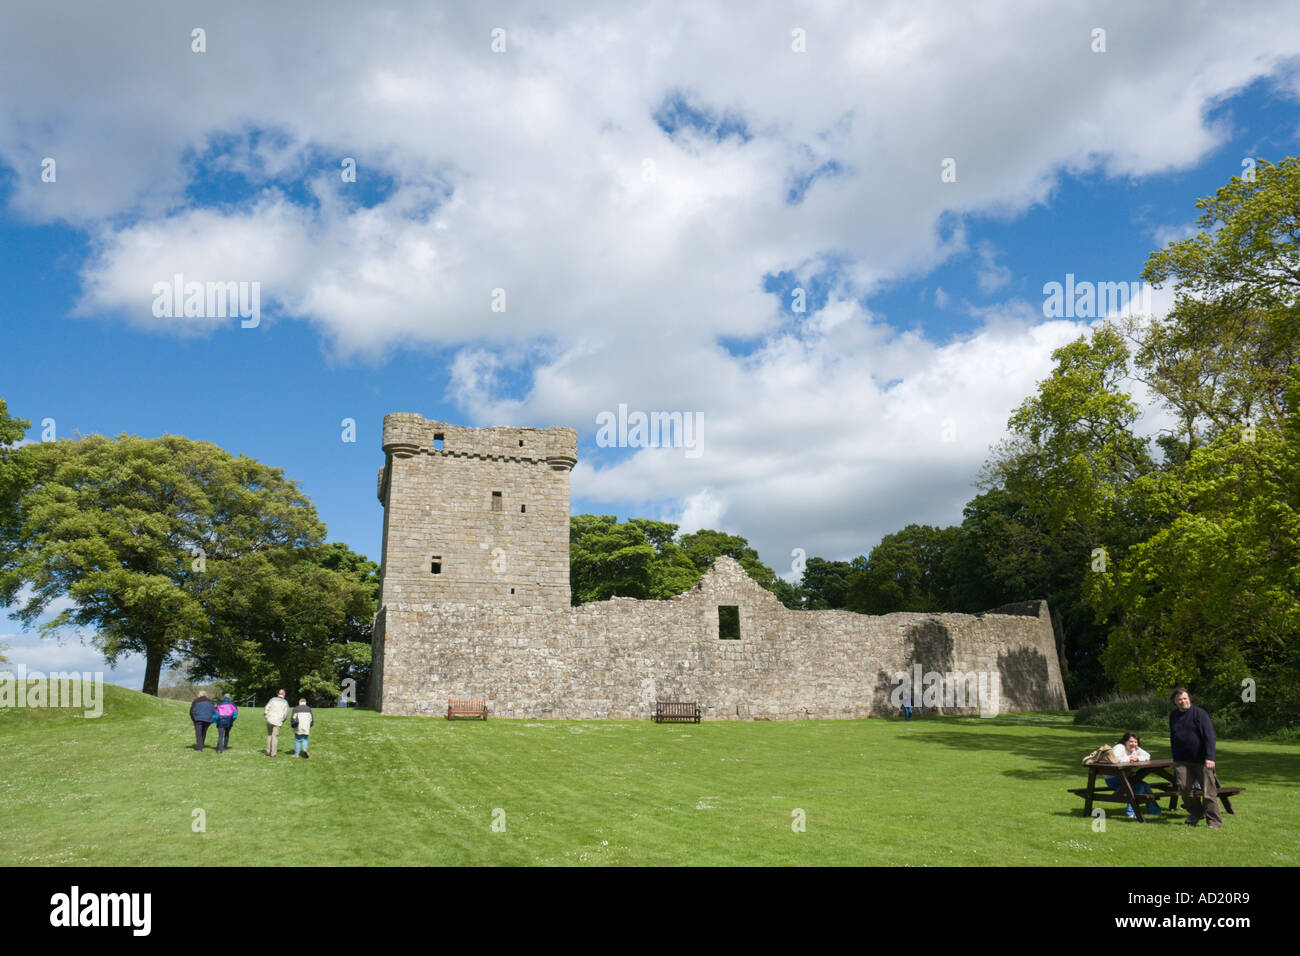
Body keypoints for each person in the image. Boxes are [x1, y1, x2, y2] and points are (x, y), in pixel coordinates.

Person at [1169, 686, 1221, 828]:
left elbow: (1209, 737)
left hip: (1202, 760)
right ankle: (1197, 813)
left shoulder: (1200, 714)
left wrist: (1210, 757)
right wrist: (1174, 756)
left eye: (1185, 698)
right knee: (1184, 789)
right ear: (1175, 701)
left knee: (1208, 792)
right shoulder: (1173, 716)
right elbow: (1173, 737)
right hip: (1181, 760)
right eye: (1179, 699)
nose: (1183, 701)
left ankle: (1214, 821)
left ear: (1189, 699)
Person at [1103, 731, 1161, 818]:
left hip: (1126, 777)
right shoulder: (1119, 747)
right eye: (1131, 741)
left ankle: (1155, 811)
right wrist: (1129, 758)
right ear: (1125, 741)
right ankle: (1131, 813)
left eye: (1135, 742)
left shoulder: (1136, 748)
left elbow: (1147, 756)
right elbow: (1115, 760)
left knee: (1145, 786)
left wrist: (1138, 758)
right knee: (1138, 786)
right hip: (1113, 779)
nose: (1133, 744)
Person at [264, 689, 290, 757]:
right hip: (278, 721)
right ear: (284, 694)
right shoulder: (285, 702)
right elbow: (286, 714)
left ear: (278, 693)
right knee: (274, 736)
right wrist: (282, 720)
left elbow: (266, 708)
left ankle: (268, 750)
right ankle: (273, 753)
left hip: (269, 719)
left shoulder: (272, 699)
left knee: (269, 734)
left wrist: (266, 716)